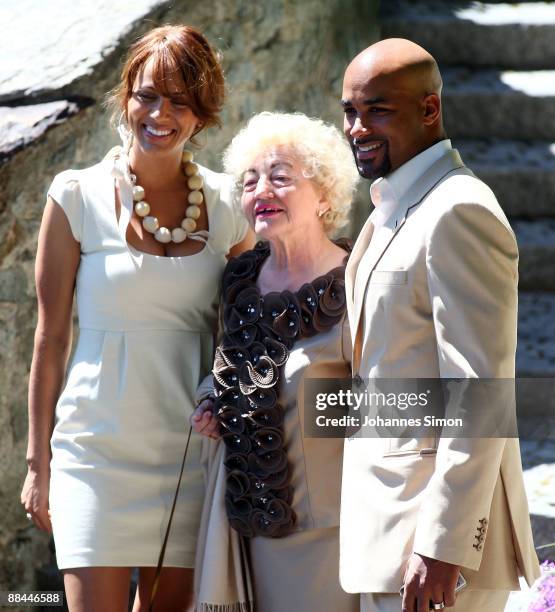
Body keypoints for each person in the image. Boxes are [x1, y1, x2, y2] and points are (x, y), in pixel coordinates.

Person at [20, 25, 254, 612]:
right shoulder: (74, 195)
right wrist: (38, 464)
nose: (159, 113)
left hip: (189, 459)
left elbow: (251, 333)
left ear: (202, 115)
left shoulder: (229, 206)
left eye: (179, 101)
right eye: (147, 94)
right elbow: (49, 341)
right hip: (93, 455)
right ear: (125, 97)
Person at [338, 38, 540, 612]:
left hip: (435, 554)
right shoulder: (390, 210)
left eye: (378, 109)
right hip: (383, 532)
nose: (357, 127)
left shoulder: (458, 210)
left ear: (430, 110)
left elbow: (480, 390)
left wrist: (442, 545)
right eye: (350, 111)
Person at [191, 111, 361, 612]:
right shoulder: (241, 278)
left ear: (325, 194)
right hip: (254, 518)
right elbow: (229, 364)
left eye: (280, 178)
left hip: (334, 525)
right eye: (250, 181)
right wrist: (212, 399)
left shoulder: (358, 281)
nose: (261, 189)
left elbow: (392, 395)